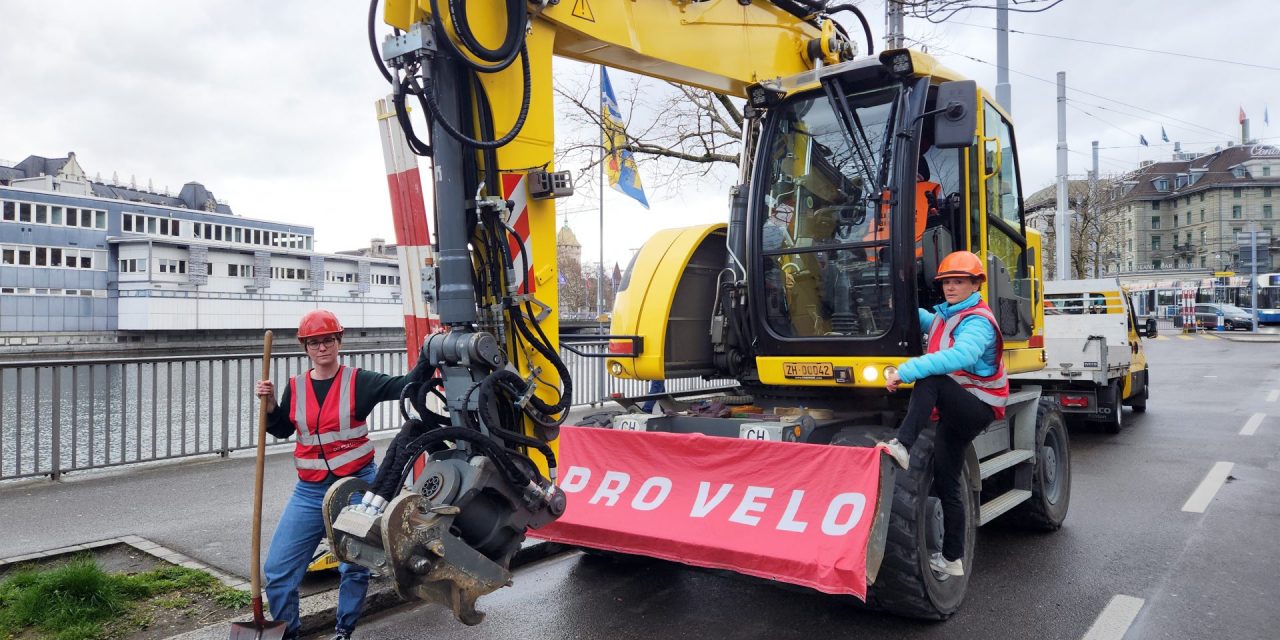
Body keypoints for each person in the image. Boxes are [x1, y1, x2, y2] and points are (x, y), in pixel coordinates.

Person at [254, 309, 427, 640]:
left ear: (339, 341)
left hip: (356, 488)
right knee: (277, 571)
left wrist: (432, 352)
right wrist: (273, 405)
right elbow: (279, 430)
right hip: (309, 492)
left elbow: (406, 385)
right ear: (305, 347)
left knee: (354, 565)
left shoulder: (359, 381)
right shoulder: (296, 387)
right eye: (315, 342)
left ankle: (344, 631)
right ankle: (289, 634)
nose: (322, 348)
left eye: (329, 340)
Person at [874, 251, 1007, 579]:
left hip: (977, 406)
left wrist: (905, 370)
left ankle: (903, 445)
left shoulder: (977, 321)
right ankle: (952, 559)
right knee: (948, 482)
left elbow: (961, 355)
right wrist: (896, 305)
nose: (950, 287)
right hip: (963, 408)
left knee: (930, 376)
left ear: (976, 284)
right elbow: (929, 321)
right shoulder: (950, 316)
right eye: (946, 282)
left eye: (959, 281)